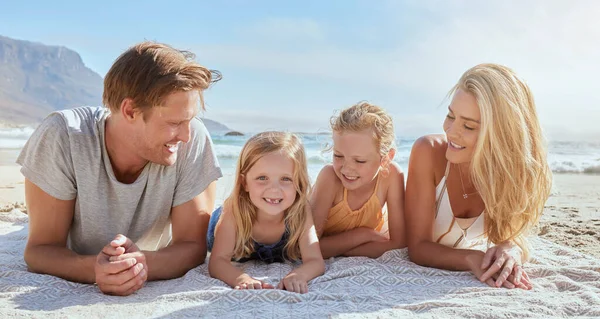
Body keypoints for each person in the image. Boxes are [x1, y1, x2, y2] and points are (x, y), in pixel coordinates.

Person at [17, 41, 223, 296]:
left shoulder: (194, 140)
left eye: (190, 120)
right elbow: (40, 250)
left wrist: (139, 265)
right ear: (130, 110)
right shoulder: (64, 137)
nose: (185, 136)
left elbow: (192, 245)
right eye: (174, 122)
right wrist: (95, 269)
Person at [405, 63, 552, 289]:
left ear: (500, 134)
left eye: (469, 126)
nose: (451, 131)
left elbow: (512, 235)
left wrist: (510, 249)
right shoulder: (429, 152)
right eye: (450, 116)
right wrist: (471, 258)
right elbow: (418, 247)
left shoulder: (510, 175)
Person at [207, 131, 325, 294]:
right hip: (219, 226)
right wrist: (240, 278)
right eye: (262, 178)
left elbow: (315, 260)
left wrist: (298, 275)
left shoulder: (300, 210)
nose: (274, 189)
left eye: (286, 179)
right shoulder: (233, 210)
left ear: (299, 182)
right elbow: (217, 261)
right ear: (244, 183)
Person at [310, 102, 406, 258]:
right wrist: (362, 235)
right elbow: (307, 248)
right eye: (338, 156)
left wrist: (342, 251)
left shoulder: (391, 175)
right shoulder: (329, 178)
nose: (346, 169)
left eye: (359, 161)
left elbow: (399, 243)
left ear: (386, 159)